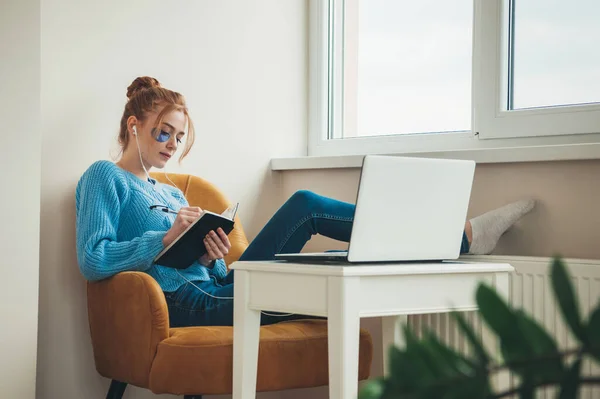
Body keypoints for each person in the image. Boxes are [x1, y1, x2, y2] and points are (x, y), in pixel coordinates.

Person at [75, 76, 535, 328]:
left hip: (216, 285)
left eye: (178, 137)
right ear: (134, 125)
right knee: (317, 231)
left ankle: (452, 238)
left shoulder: (173, 191)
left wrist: (211, 251)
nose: (171, 144)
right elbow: (93, 260)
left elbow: (209, 271)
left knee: (331, 248)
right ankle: (458, 236)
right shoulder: (104, 177)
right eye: (162, 132)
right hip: (182, 302)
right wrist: (166, 236)